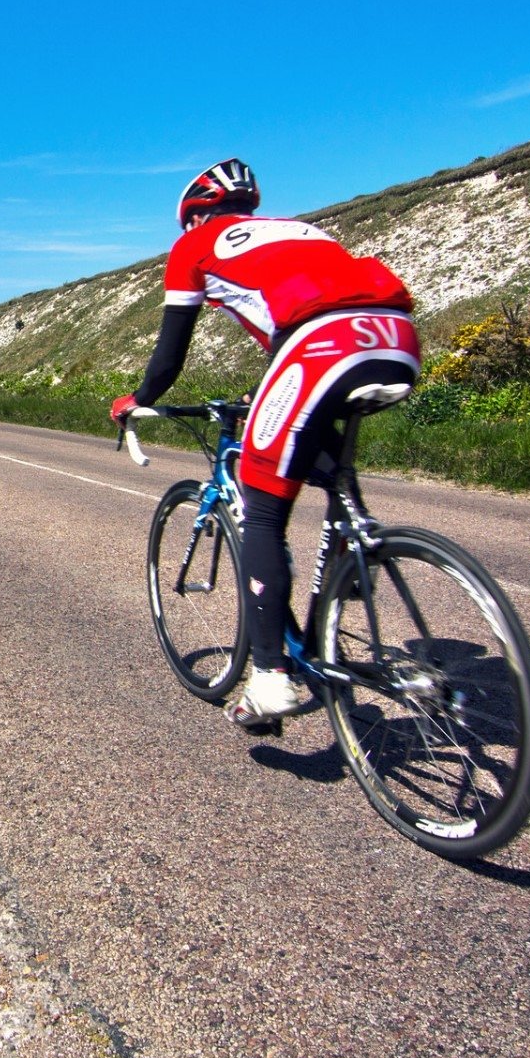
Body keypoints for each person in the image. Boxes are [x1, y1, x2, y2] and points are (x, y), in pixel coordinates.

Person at [110, 158, 419, 728]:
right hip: (395, 335)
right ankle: (357, 548)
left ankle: (272, 678)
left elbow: (170, 353)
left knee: (262, 507)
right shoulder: (303, 230)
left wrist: (138, 398)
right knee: (314, 454)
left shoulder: (195, 244)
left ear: (194, 214)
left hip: (320, 342)